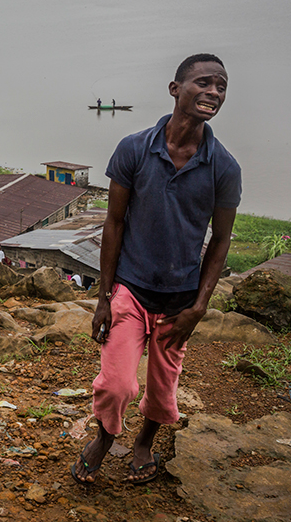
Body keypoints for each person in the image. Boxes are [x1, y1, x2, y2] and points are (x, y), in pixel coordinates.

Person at [70, 54, 240, 486]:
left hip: (180, 301)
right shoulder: (134, 149)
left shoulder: (224, 167)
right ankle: (105, 438)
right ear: (175, 89)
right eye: (204, 82)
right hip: (131, 289)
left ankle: (144, 443)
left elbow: (221, 240)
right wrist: (104, 297)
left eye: (221, 86)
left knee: (163, 389)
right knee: (115, 384)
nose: (213, 92)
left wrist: (199, 307)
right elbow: (114, 223)